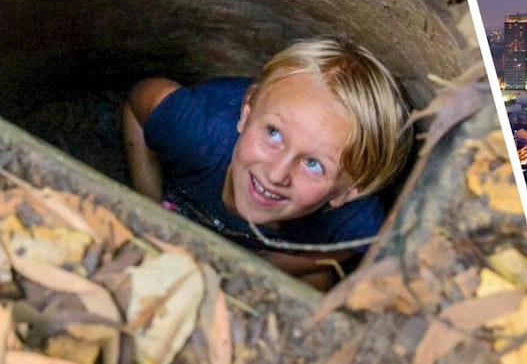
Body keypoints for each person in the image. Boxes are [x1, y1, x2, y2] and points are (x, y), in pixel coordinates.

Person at [121, 37, 411, 290]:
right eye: (273, 133)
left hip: (257, 249)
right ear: (246, 113)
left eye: (314, 164)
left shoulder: (354, 219)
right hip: (183, 204)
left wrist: (252, 267)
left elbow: (354, 243)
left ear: (347, 193)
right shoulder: (198, 130)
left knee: (318, 278)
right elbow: (139, 103)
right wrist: (149, 206)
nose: (276, 174)